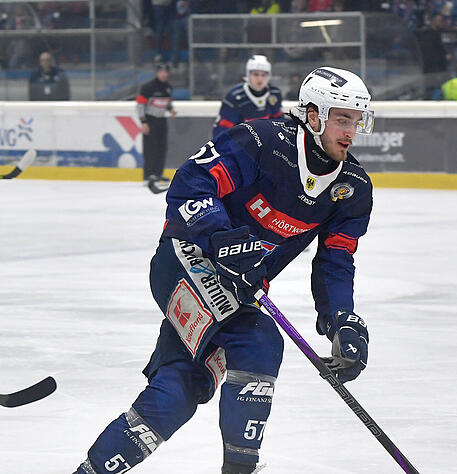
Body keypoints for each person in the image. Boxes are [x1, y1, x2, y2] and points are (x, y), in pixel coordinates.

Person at [74, 66, 375, 474]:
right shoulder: (261, 141)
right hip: (185, 258)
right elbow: (192, 181)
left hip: (238, 289)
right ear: (314, 114)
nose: (351, 131)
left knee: (178, 390)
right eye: (342, 118)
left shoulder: (353, 188)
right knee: (259, 339)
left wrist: (342, 319)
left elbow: (336, 261)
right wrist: (222, 239)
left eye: (356, 120)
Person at [212, 55, 283, 139]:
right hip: (240, 144)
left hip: (265, 144)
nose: (260, 79)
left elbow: (279, 122)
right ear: (248, 75)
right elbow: (222, 130)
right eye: (256, 74)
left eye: (264, 75)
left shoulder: (274, 94)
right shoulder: (235, 97)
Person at [137, 62, 176, 193]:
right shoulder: (148, 87)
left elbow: (167, 102)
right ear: (157, 73)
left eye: (166, 72)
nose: (164, 74)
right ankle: (148, 175)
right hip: (150, 120)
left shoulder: (168, 87)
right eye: (161, 72)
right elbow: (140, 105)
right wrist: (143, 122)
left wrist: (170, 109)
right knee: (150, 148)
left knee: (161, 147)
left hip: (161, 120)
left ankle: (158, 173)